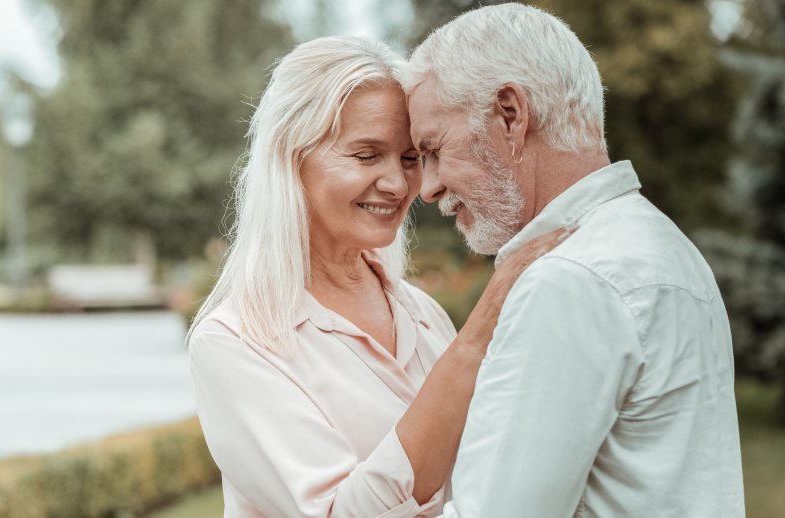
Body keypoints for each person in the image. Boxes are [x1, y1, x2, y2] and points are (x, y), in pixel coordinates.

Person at [188, 35, 572, 517]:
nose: (398, 184)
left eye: (411, 158)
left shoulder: (423, 315)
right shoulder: (235, 342)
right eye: (366, 156)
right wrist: (478, 335)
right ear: (290, 157)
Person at [404, 4, 745, 516]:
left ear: (510, 115)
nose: (427, 189)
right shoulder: (662, 245)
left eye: (432, 149)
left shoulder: (569, 280)